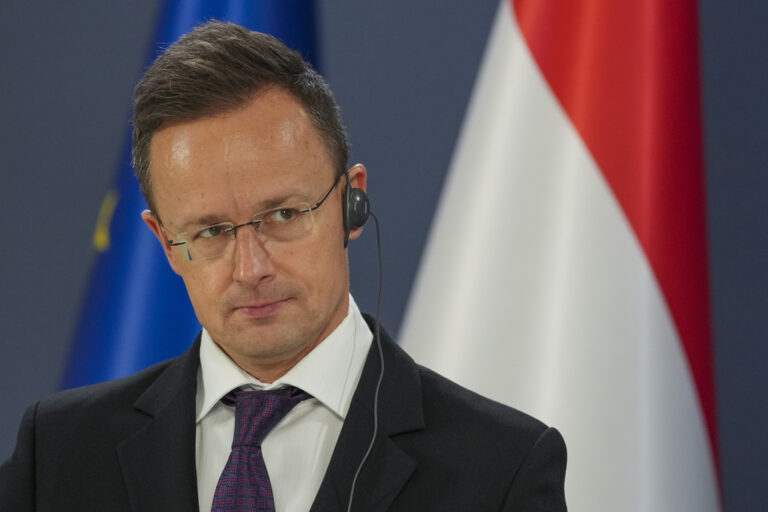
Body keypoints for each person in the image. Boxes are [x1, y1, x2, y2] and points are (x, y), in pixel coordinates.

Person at [0, 21, 567, 511]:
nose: (251, 269)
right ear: (166, 243)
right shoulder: (58, 453)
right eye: (211, 231)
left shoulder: (502, 467)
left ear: (350, 203)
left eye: (283, 214)